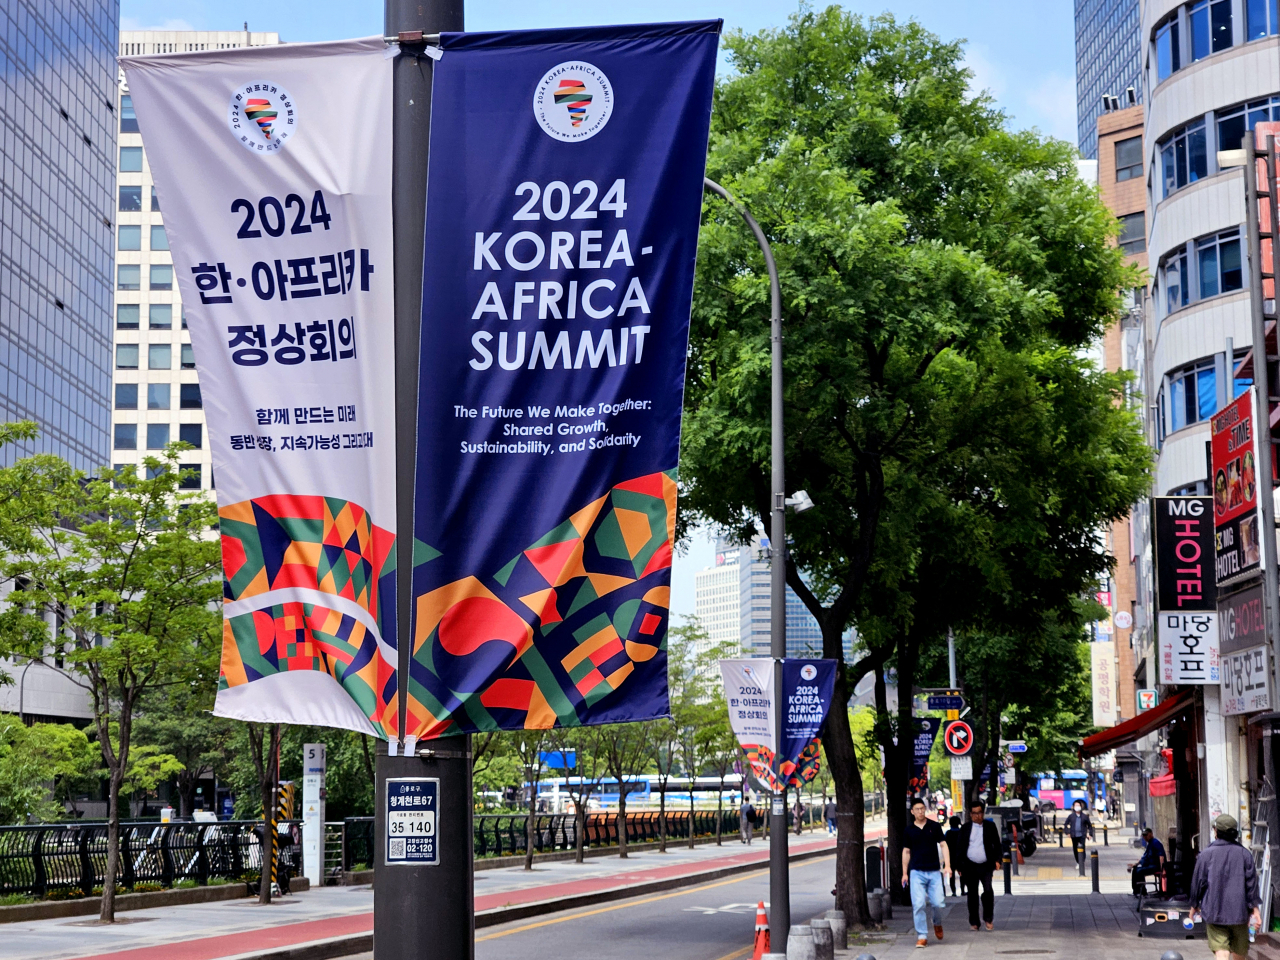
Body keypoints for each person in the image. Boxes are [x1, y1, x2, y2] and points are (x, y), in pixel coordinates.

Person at [1188, 814, 1261, 960]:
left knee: (1221, 951)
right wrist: (1255, 910)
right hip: (1240, 913)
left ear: (1216, 831)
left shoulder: (1206, 855)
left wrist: (1194, 907)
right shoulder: (1245, 854)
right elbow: (1251, 885)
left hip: (1215, 912)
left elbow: (1198, 883)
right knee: (1240, 952)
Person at [901, 798, 950, 949]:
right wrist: (905, 873)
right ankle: (922, 936)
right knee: (918, 904)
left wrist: (947, 865)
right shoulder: (909, 830)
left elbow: (943, 844)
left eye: (922, 808)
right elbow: (906, 851)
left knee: (938, 903)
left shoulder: (934, 826)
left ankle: (937, 923)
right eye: (917, 809)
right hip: (916, 872)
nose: (920, 811)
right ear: (912, 812)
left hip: (934, 871)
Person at [956, 800, 1002, 931]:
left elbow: (997, 845)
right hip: (969, 865)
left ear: (983, 813)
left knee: (988, 891)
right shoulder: (965, 828)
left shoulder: (990, 826)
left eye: (980, 813)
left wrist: (998, 860)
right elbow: (959, 848)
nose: (977, 816)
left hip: (986, 864)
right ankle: (974, 922)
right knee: (972, 894)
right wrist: (959, 866)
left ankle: (988, 918)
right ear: (970, 814)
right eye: (974, 813)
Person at [1130, 828, 1167, 897]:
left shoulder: (1156, 843)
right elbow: (1144, 857)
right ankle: (1136, 890)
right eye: (1143, 835)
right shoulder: (1149, 844)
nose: (1144, 837)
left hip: (1155, 866)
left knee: (1139, 871)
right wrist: (1136, 864)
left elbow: (1161, 856)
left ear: (1151, 834)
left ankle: (1142, 891)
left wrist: (1163, 869)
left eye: (1146, 835)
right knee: (1135, 869)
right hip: (1149, 865)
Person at [1064, 800, 1093, 865]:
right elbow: (1066, 824)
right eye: (1076, 806)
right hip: (1074, 835)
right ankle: (1078, 861)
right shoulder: (1071, 816)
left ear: (1081, 806)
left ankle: (1082, 861)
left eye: (1078, 805)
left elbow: (1089, 826)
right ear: (1073, 807)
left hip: (1082, 835)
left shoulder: (1085, 816)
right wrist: (1068, 832)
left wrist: (1090, 834)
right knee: (1075, 849)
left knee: (1082, 848)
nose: (1077, 807)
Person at [944, 816, 966, 897]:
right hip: (961, 857)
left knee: (951, 875)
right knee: (962, 874)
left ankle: (953, 891)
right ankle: (963, 890)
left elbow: (944, 845)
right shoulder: (962, 833)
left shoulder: (948, 833)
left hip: (950, 857)